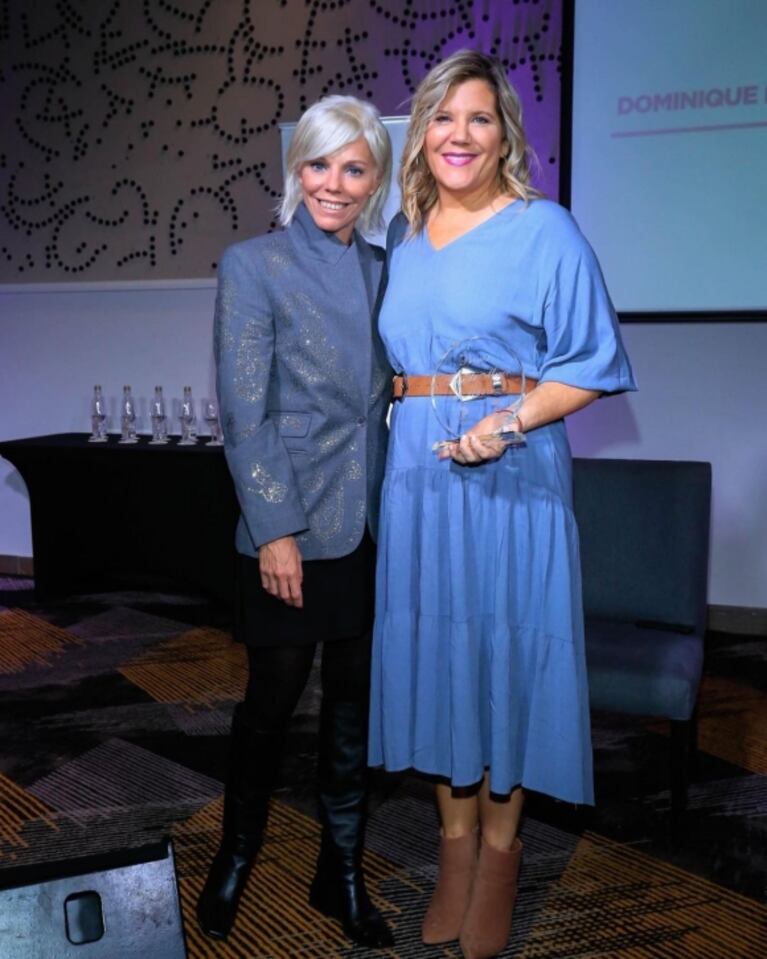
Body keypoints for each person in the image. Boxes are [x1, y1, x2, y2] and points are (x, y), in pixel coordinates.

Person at [368, 51, 636, 959]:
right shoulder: (403, 241)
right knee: (438, 652)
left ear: (503, 135)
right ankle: (450, 847)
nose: (459, 135)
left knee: (504, 657)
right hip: (417, 480)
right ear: (423, 134)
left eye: (479, 119)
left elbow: (590, 366)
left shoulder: (542, 229)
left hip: (510, 477)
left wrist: (506, 423)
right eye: (443, 118)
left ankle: (498, 852)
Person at [197, 94, 394, 949]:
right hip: (289, 522)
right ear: (295, 170)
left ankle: (337, 870)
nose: (334, 184)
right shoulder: (253, 264)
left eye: (354, 168)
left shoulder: (389, 268)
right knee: (270, 702)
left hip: (372, 519)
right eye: (319, 165)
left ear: (376, 178)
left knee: (352, 706)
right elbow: (245, 411)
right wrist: (274, 528)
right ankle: (235, 853)